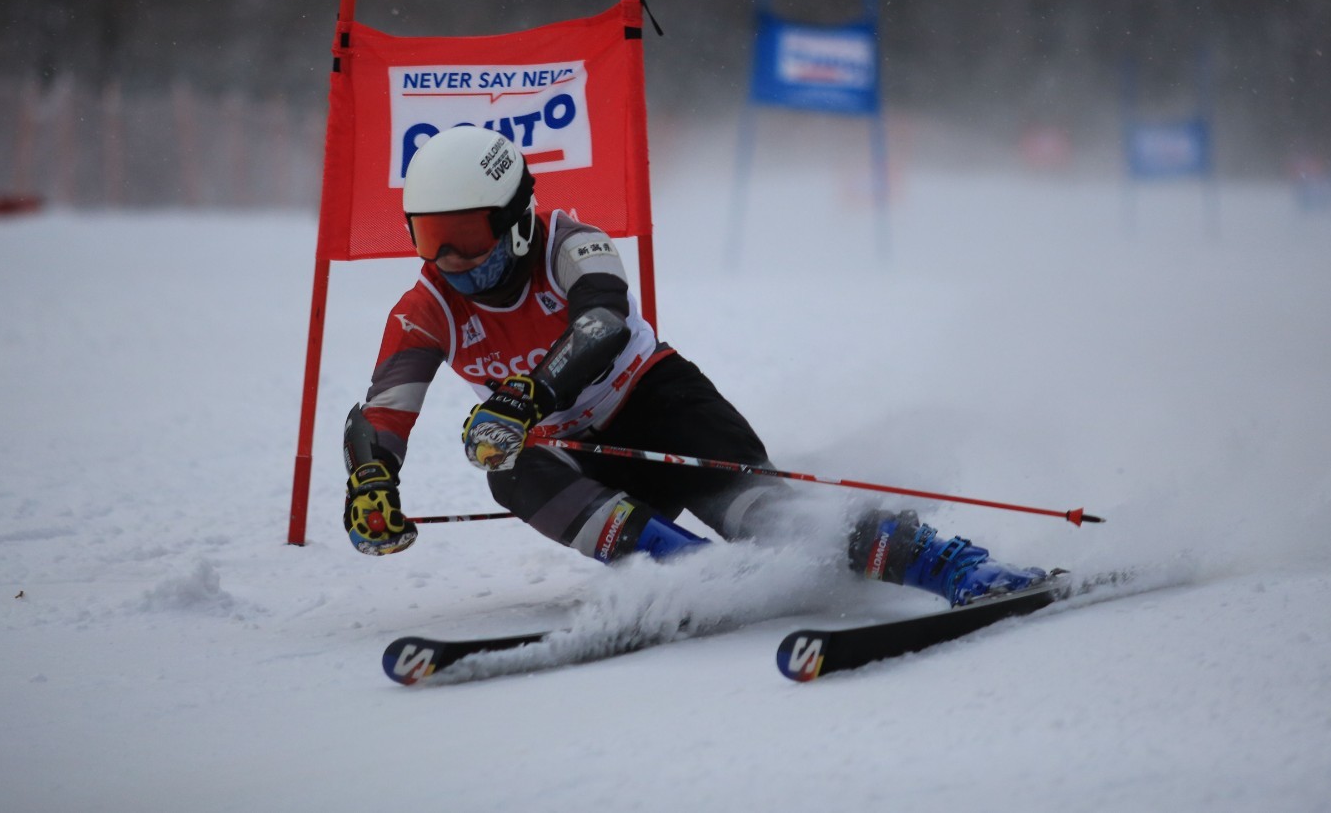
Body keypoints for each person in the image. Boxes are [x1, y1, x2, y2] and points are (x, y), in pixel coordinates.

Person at [343, 124, 1045, 607]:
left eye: (465, 236)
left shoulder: (571, 241)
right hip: (584, 459)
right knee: (506, 466)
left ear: (517, 217)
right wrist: (372, 478)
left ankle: (951, 563)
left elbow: (602, 323)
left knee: (764, 515)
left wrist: (529, 391)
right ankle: (688, 571)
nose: (450, 260)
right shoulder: (425, 304)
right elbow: (381, 411)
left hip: (661, 407)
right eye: (429, 238)